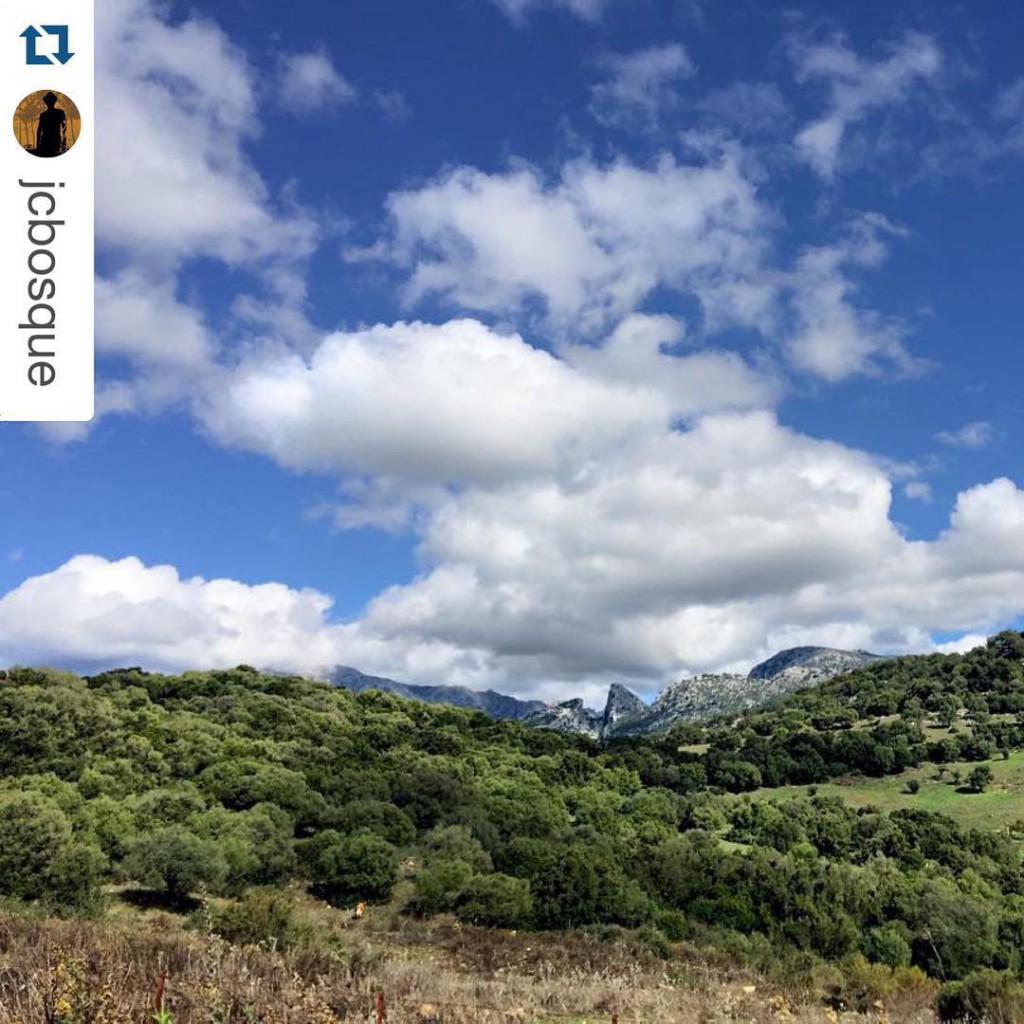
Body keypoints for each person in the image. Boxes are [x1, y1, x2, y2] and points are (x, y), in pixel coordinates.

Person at [34, 92, 66, 158]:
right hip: (48, 142)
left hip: (53, 142)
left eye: (51, 100)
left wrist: (38, 144)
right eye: (49, 101)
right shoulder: (59, 113)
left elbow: (64, 128)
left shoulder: (45, 115)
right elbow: (39, 130)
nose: (50, 102)